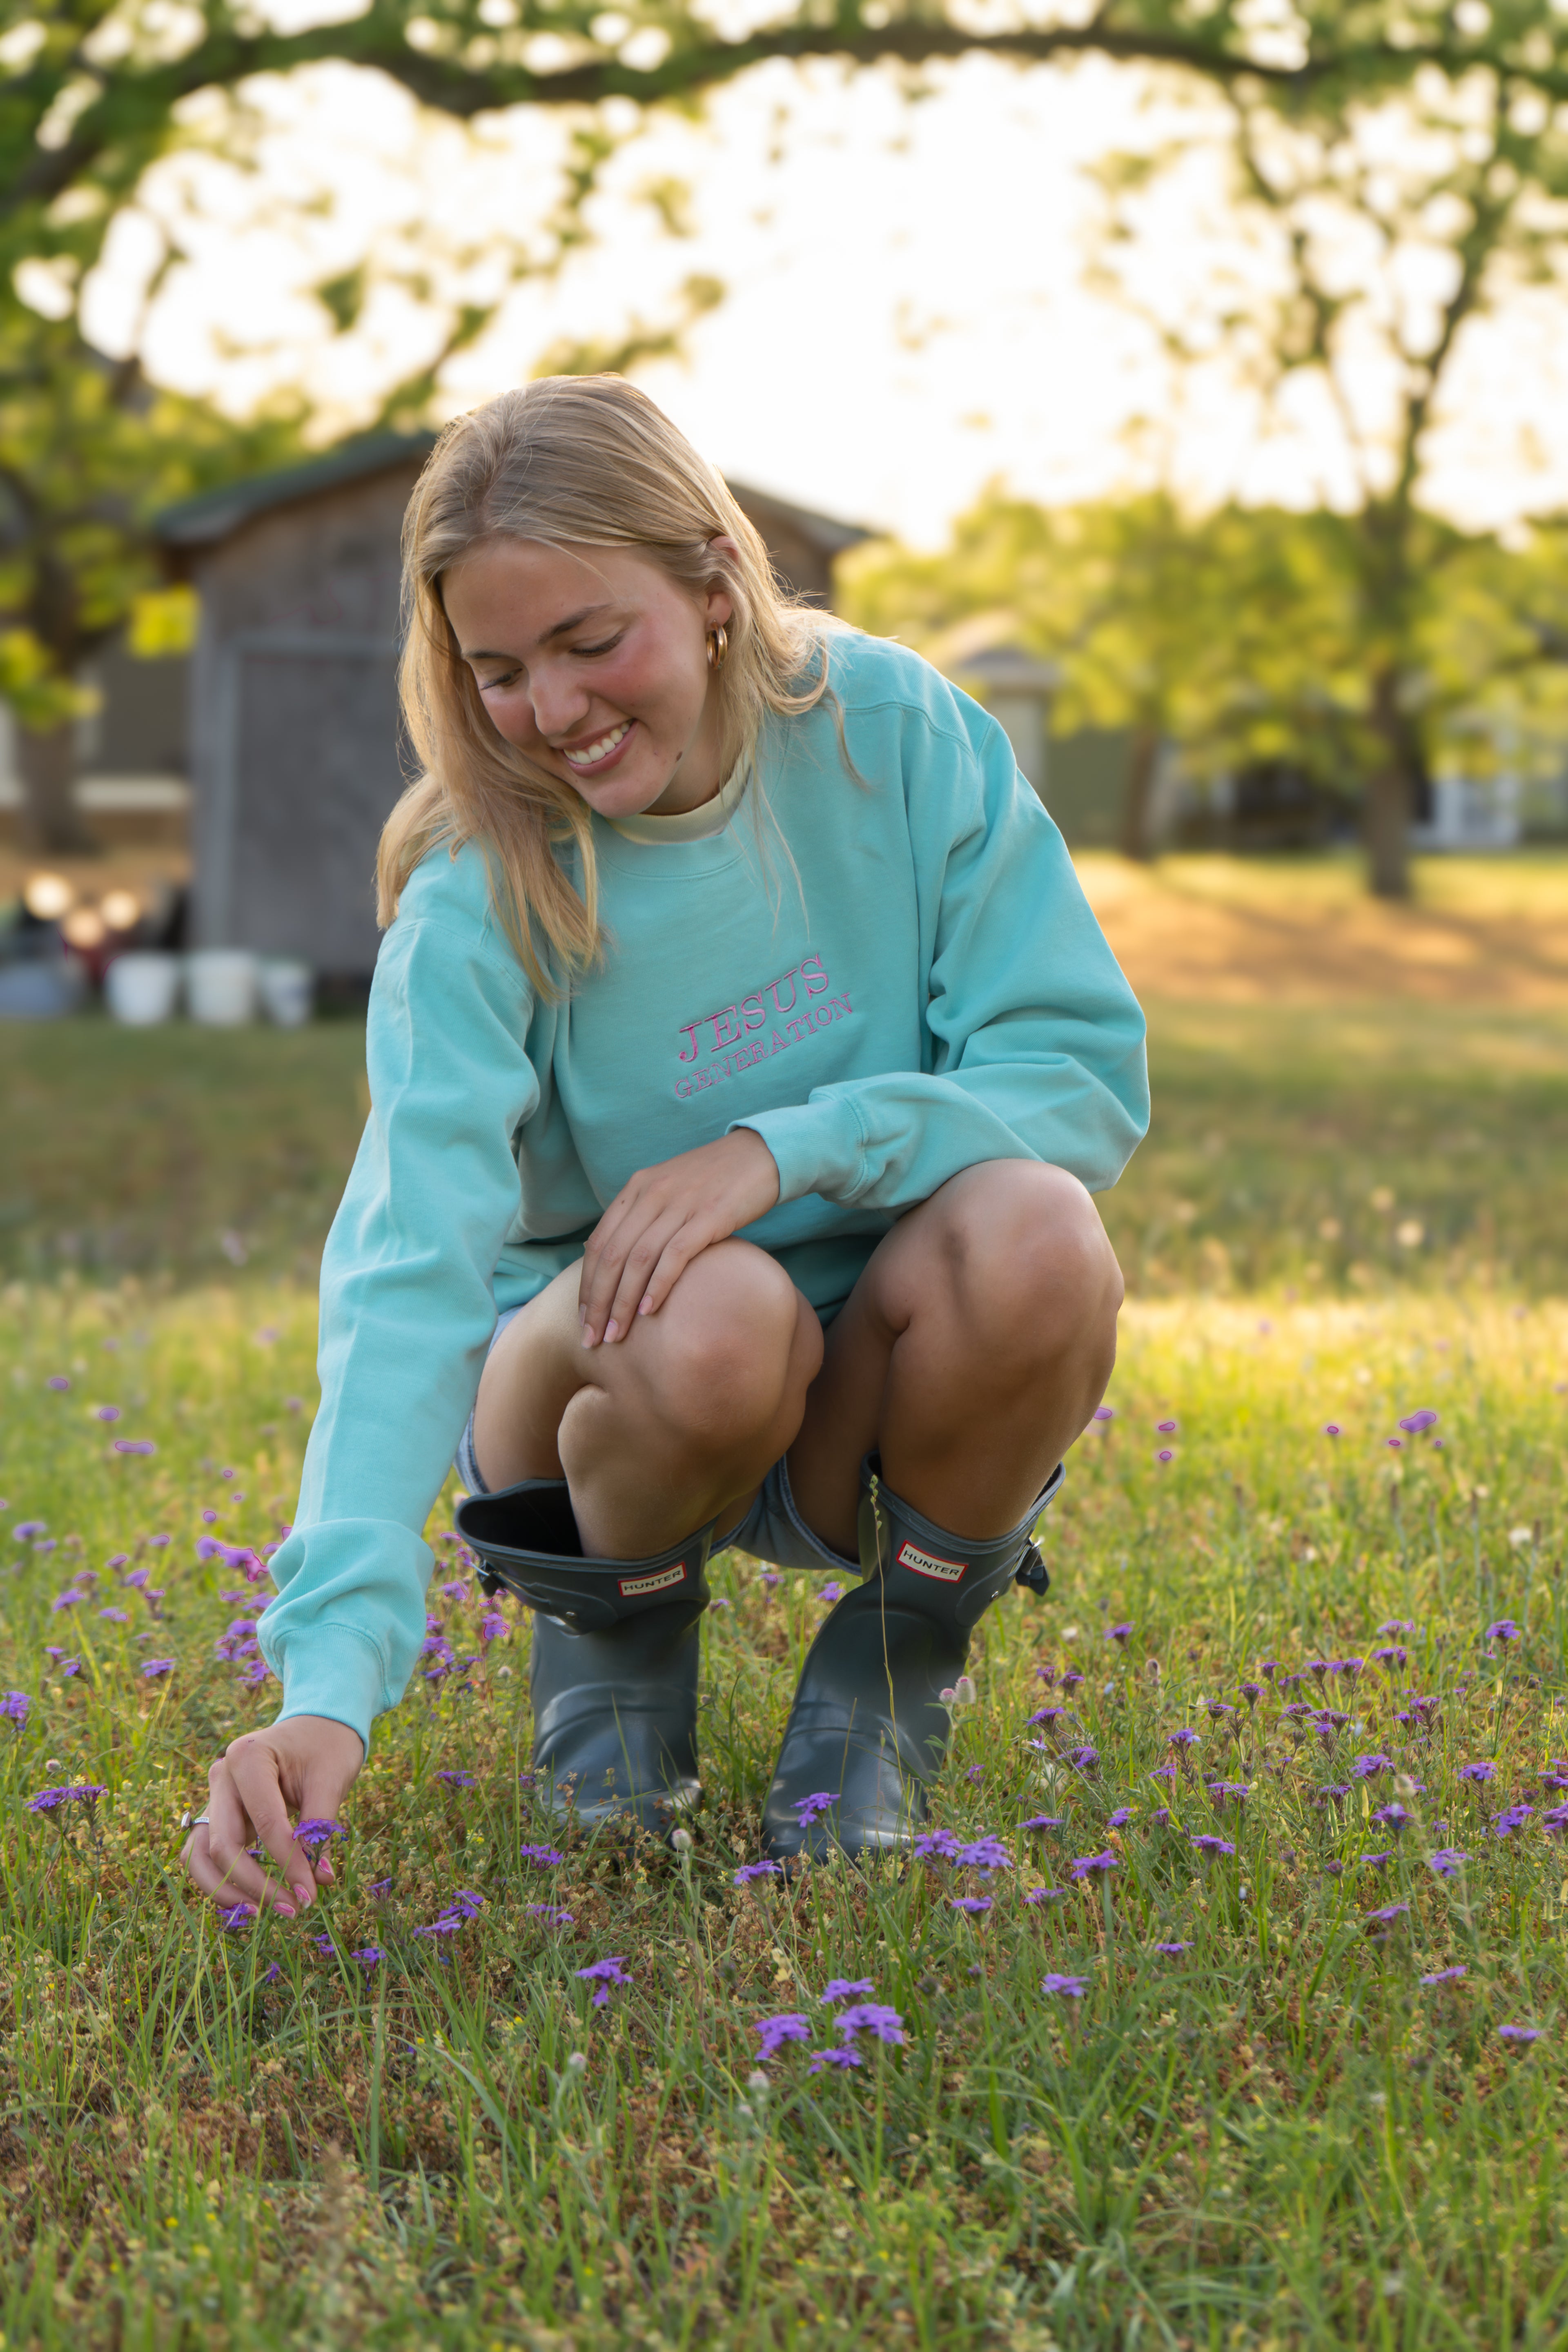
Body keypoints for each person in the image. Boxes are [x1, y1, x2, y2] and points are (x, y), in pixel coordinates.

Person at [181, 376, 1148, 1922]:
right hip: (612, 1389)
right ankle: (616, 1645)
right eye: (495, 670)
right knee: (714, 1308)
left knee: (1037, 1227)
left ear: (712, 584)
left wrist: (786, 1151)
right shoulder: (479, 888)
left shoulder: (890, 733)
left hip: (866, 1386)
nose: (550, 712)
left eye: (588, 643)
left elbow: (1081, 1079)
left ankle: (897, 1660)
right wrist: (327, 1683)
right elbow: (406, 1265)